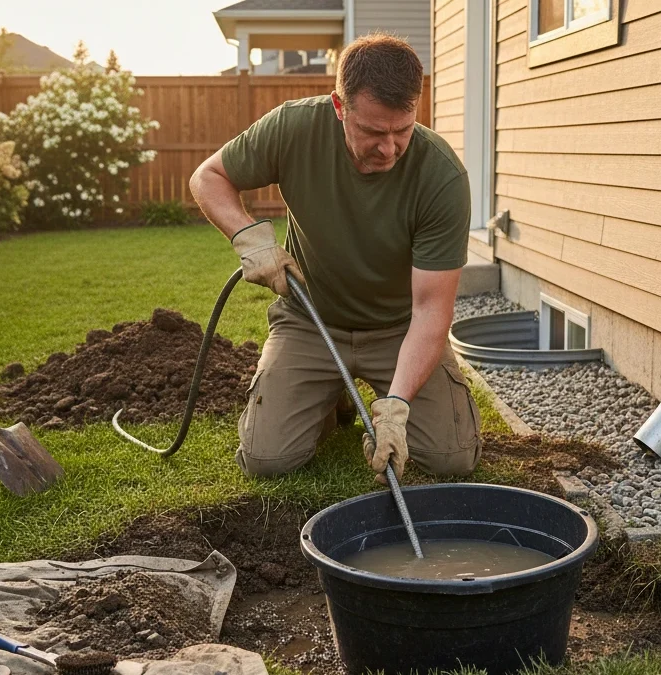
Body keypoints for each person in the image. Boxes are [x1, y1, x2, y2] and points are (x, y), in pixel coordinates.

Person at [189, 33, 481, 485]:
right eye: (373, 132)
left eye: (402, 130)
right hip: (311, 321)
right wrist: (250, 238)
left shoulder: (441, 177)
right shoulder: (293, 128)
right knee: (267, 459)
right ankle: (331, 395)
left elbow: (430, 311)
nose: (389, 148)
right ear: (339, 107)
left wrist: (397, 407)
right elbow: (208, 176)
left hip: (398, 329)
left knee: (452, 457)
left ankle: (362, 389)